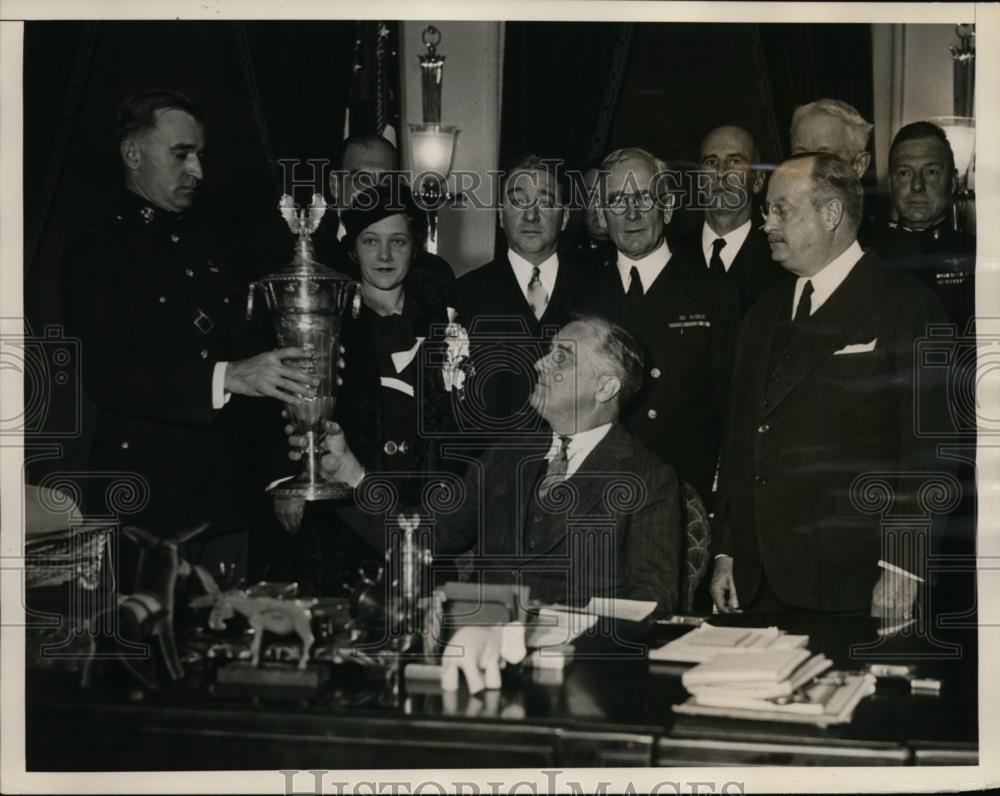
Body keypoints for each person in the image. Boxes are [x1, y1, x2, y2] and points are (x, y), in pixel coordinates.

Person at [61, 89, 319, 578]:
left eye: (200, 155)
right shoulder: (97, 250)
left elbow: (246, 362)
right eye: (181, 154)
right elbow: (107, 375)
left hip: (223, 505)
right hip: (143, 507)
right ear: (133, 154)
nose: (197, 170)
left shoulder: (212, 248)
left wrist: (293, 381)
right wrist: (228, 376)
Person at [295, 314, 682, 611]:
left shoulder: (649, 477)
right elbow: (426, 535)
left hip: (579, 667)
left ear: (605, 387)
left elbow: (652, 600)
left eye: (561, 357)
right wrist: (348, 472)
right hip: (480, 649)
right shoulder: (505, 455)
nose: (540, 364)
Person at [710, 153, 950, 618]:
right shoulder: (760, 314)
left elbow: (931, 452)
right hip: (758, 583)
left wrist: (903, 567)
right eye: (766, 211)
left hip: (857, 582)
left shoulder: (908, 306)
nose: (766, 224)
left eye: (781, 210)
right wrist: (728, 552)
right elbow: (739, 443)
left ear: (832, 213)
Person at [271, 182, 457, 594]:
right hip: (345, 515)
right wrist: (290, 478)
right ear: (353, 249)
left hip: (421, 514)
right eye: (371, 241)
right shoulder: (325, 319)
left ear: (416, 246)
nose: (385, 255)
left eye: (398, 241)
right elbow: (285, 404)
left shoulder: (443, 319)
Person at [588, 147, 740, 506]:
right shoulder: (583, 295)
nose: (631, 212)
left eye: (643, 197)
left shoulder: (714, 294)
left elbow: (735, 416)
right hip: (599, 500)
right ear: (601, 214)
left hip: (682, 496)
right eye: (617, 200)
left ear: (668, 206)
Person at [449, 154, 596, 439]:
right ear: (500, 215)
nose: (531, 215)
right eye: (518, 201)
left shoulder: (598, 289)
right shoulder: (463, 294)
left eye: (545, 201)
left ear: (565, 217)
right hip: (491, 469)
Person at [869, 121, 975, 332]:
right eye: (905, 173)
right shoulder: (864, 257)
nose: (917, 186)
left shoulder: (978, 254)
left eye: (931, 172)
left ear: (953, 182)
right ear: (891, 184)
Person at [674, 126, 787, 313]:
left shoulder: (781, 259)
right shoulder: (671, 255)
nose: (721, 173)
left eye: (735, 162)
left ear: (758, 181)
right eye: (711, 162)